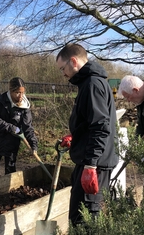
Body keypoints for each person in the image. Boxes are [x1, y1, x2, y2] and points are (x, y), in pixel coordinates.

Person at [56, 43, 118, 226]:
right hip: (89, 161)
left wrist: (91, 165)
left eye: (63, 68)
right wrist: (75, 137)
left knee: (85, 220)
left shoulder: (92, 84)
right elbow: (90, 124)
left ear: (73, 61)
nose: (63, 74)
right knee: (79, 215)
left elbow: (100, 127)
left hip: (94, 165)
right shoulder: (89, 83)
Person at [0, 77, 38, 180]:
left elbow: (28, 127)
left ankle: (7, 194)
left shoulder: (24, 106)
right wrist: (11, 128)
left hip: (11, 144)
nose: (20, 96)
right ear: (11, 91)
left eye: (22, 93)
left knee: (10, 173)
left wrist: (33, 144)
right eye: (17, 93)